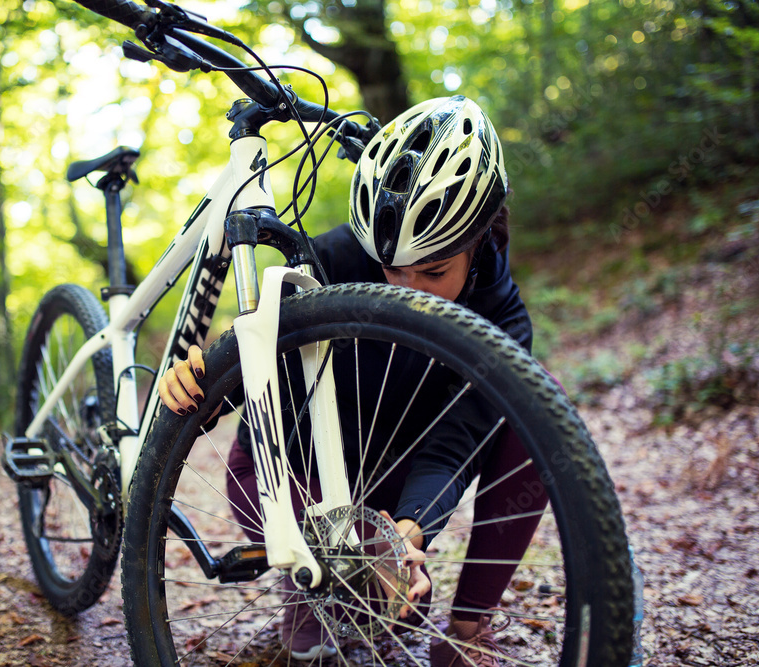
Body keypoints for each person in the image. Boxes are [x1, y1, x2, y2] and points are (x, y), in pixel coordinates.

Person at [158, 95, 549, 667]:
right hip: (286, 471)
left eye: (434, 271)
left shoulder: (503, 319)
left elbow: (458, 440)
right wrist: (200, 387)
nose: (407, 290)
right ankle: (307, 582)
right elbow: (255, 361)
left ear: (482, 238)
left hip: (391, 491)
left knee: (536, 398)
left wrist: (411, 530)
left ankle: (466, 632)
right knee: (336, 601)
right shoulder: (334, 258)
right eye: (392, 270)